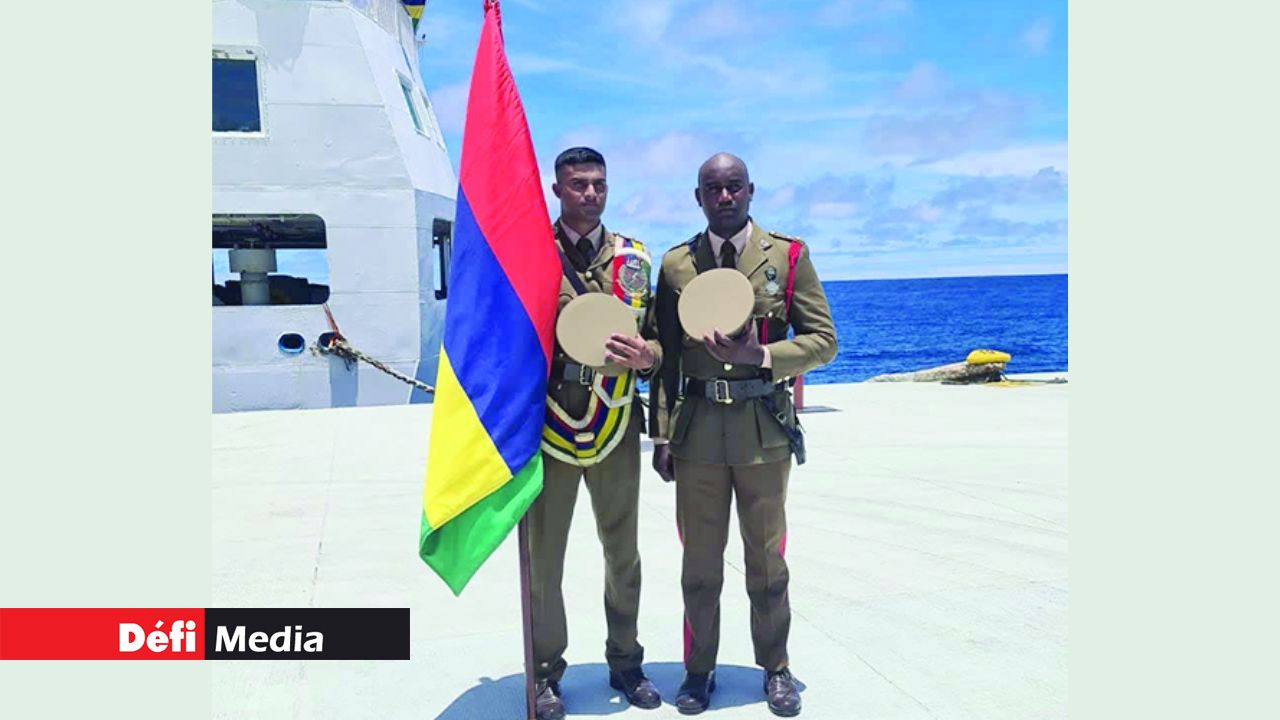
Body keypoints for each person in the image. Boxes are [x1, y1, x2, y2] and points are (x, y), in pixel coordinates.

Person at [649, 152, 837, 717]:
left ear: (750, 190)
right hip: (699, 434)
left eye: (734, 186)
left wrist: (761, 354)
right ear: (698, 197)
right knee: (700, 565)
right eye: (713, 188)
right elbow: (668, 360)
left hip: (764, 432)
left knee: (766, 560)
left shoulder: (788, 256)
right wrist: (662, 435)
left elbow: (824, 340)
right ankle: (698, 671)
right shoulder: (678, 265)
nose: (725, 196)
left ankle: (775, 668)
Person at [528, 147, 663, 720]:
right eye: (578, 184)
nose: (590, 193)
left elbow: (660, 343)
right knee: (543, 560)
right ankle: (545, 672)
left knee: (623, 553)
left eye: (598, 183)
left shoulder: (634, 257)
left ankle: (626, 660)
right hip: (549, 423)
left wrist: (647, 355)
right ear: (557, 190)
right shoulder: (530, 252)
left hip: (615, 419)